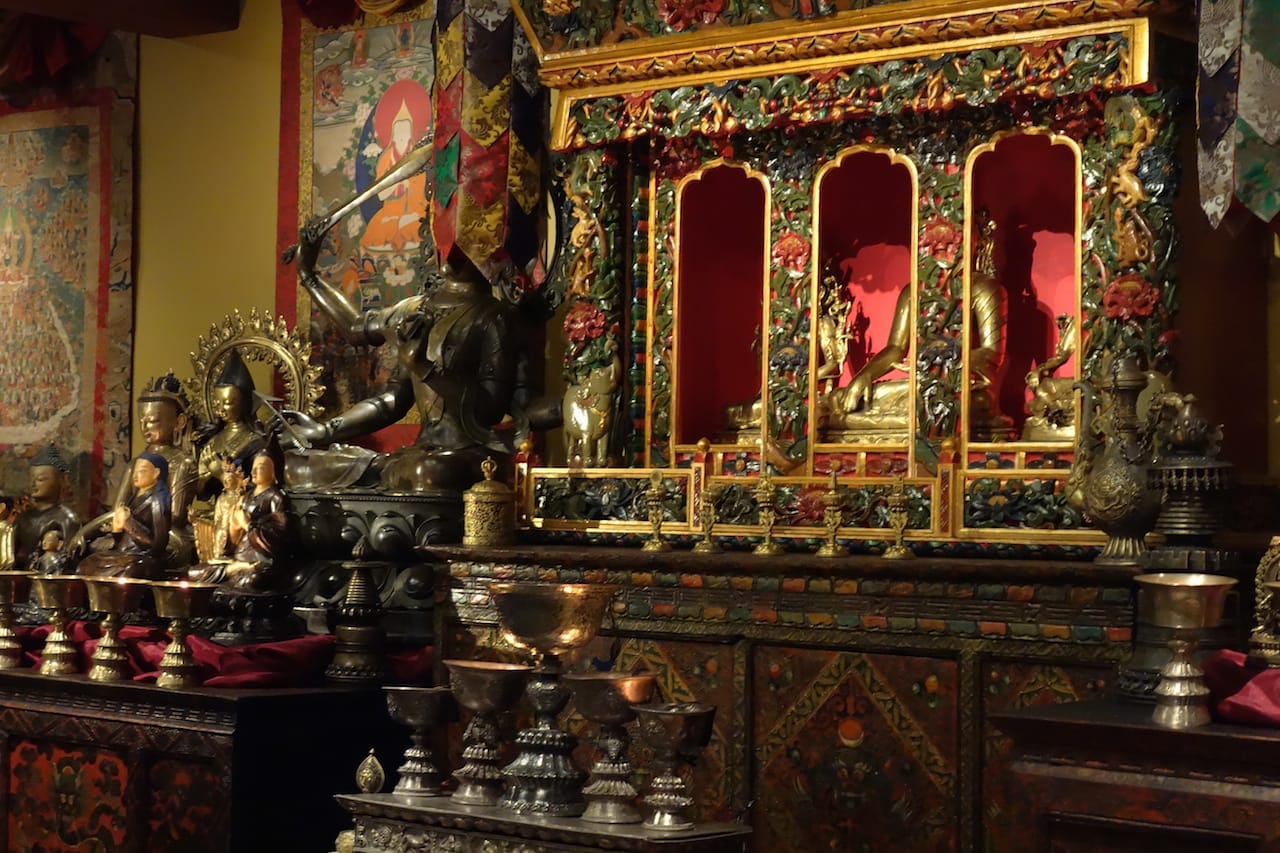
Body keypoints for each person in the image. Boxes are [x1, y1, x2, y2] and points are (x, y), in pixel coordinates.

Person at [285, 244, 522, 495]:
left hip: (463, 456)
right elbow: (392, 398)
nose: (449, 252)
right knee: (297, 466)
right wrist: (324, 431)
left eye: (462, 245)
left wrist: (422, 367)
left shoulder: (494, 317)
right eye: (446, 241)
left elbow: (489, 409)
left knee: (428, 472)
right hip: (416, 455)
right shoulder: (415, 309)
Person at [117, 372, 197, 565]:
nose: (144, 427)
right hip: (130, 532)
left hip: (164, 533)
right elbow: (118, 509)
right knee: (92, 545)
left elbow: (176, 517)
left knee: (172, 548)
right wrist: (84, 533)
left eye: (152, 421)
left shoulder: (182, 462)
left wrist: (132, 523)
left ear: (179, 422)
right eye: (141, 420)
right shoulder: (136, 462)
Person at [190, 445, 292, 591]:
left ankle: (235, 572)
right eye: (253, 467)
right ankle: (234, 569)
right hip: (239, 555)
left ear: (274, 471)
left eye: (261, 467)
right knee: (194, 572)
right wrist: (234, 527)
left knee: (252, 580)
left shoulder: (276, 497)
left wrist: (248, 525)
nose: (254, 472)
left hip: (261, 560)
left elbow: (279, 536)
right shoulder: (247, 497)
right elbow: (232, 541)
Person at [78, 453, 171, 580]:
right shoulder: (133, 498)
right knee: (87, 563)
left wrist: (127, 522)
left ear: (156, 473)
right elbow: (120, 540)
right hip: (124, 553)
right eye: (135, 471)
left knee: (129, 569)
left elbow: (157, 545)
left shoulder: (156, 502)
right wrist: (117, 529)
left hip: (142, 556)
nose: (135, 476)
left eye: (142, 471)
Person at [196, 348, 265, 499]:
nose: (221, 409)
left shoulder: (257, 442)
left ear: (245, 402)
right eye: (217, 403)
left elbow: (260, 490)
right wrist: (203, 477)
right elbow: (202, 495)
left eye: (227, 403)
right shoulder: (213, 441)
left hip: (244, 514)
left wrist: (221, 475)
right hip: (218, 512)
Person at [14, 445, 82, 569]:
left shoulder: (66, 518)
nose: (33, 484)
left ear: (63, 480)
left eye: (40, 479)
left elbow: (70, 556)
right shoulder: (23, 518)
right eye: (31, 479)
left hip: (51, 571)